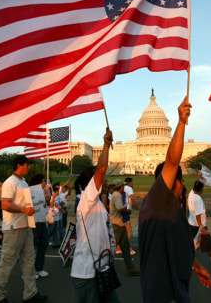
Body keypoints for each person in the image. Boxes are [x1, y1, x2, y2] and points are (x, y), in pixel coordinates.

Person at [139, 98, 211, 302]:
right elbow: (172, 160)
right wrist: (181, 122)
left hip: (174, 288)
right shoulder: (158, 199)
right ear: (175, 182)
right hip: (162, 292)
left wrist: (195, 265)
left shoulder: (168, 208)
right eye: (179, 180)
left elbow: (176, 244)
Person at [71, 127, 120, 303]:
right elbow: (100, 172)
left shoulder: (98, 203)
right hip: (87, 273)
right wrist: (106, 145)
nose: (106, 180)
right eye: (102, 179)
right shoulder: (87, 200)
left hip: (102, 268)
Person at [0, 155, 47, 303]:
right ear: (19, 165)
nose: (29, 167)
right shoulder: (10, 183)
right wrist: (24, 210)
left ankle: (30, 293)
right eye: (27, 165)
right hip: (13, 227)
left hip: (25, 226)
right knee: (7, 263)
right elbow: (5, 205)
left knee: (29, 261)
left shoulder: (23, 182)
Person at [109, 179, 140, 277]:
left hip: (119, 224)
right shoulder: (117, 195)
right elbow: (120, 209)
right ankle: (105, 269)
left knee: (126, 248)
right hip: (117, 224)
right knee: (112, 249)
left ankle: (130, 268)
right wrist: (128, 211)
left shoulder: (115, 195)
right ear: (121, 186)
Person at [29, 173, 51, 279]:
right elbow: (47, 197)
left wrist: (46, 189)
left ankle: (39, 267)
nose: (44, 183)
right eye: (43, 181)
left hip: (43, 221)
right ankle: (30, 270)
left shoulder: (42, 191)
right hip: (35, 221)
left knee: (44, 244)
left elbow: (48, 199)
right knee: (32, 247)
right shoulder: (31, 191)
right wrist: (46, 190)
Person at [123, 177, 139, 256]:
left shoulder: (124, 188)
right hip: (127, 210)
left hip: (123, 209)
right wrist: (138, 207)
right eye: (132, 182)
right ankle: (128, 248)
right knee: (129, 230)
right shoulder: (129, 188)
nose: (133, 184)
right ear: (129, 183)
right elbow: (132, 198)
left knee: (123, 229)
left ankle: (119, 248)